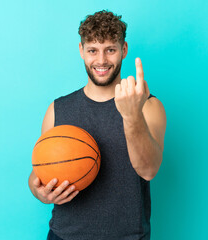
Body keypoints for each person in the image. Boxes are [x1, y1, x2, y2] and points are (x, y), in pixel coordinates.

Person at [28, 10, 166, 240]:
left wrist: (132, 115)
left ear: (124, 50)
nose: (101, 60)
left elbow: (149, 170)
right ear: (82, 51)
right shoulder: (57, 109)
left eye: (110, 50)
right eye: (93, 50)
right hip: (64, 236)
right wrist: (39, 192)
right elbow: (37, 174)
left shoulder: (147, 106)